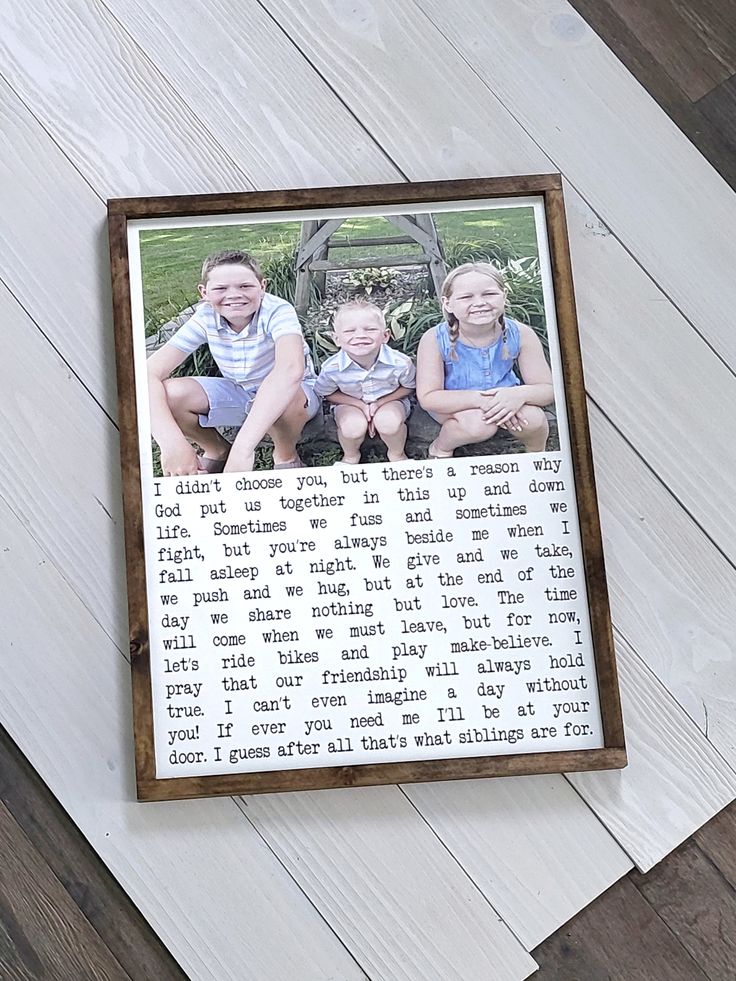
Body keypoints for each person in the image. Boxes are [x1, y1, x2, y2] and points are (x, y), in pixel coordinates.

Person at [147, 250, 319, 475]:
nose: (234, 295)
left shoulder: (278, 311)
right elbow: (148, 373)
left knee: (289, 392)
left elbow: (290, 370)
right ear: (204, 293)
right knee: (171, 393)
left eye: (245, 286)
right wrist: (171, 442)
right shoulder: (205, 316)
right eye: (220, 288)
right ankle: (216, 449)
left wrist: (243, 449)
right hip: (240, 390)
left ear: (262, 286)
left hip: (294, 396)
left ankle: (285, 453)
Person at [416, 262, 553, 457]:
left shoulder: (521, 333)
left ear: (504, 296)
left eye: (489, 294)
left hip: (506, 399)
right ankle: (440, 448)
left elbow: (546, 389)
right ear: (448, 304)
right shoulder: (435, 338)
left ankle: (537, 457)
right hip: (454, 403)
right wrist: (481, 401)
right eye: (466, 297)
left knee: (534, 419)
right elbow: (429, 397)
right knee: (478, 425)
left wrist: (517, 396)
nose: (479, 303)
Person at [315, 299, 416, 464]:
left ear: (385, 336)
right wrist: (361, 405)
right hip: (349, 404)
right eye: (349, 331)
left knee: (389, 422)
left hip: (390, 401)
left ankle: (397, 454)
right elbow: (326, 393)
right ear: (336, 339)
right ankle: (350, 455)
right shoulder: (332, 368)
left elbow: (409, 387)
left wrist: (379, 403)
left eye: (370, 329)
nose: (360, 335)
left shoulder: (400, 363)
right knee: (352, 427)